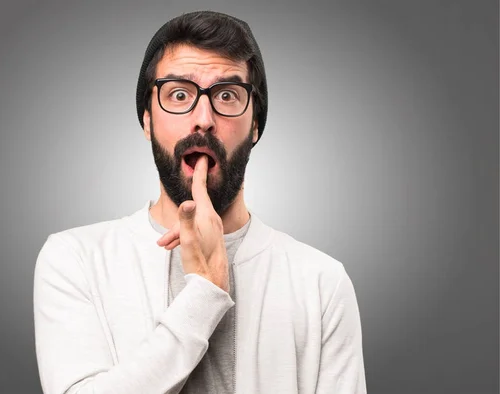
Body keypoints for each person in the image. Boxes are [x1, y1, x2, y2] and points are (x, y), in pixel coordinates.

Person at [33, 10, 367, 394]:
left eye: (227, 95)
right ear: (147, 120)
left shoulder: (321, 282)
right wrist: (205, 293)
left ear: (255, 123)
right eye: (179, 94)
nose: (203, 119)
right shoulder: (75, 260)